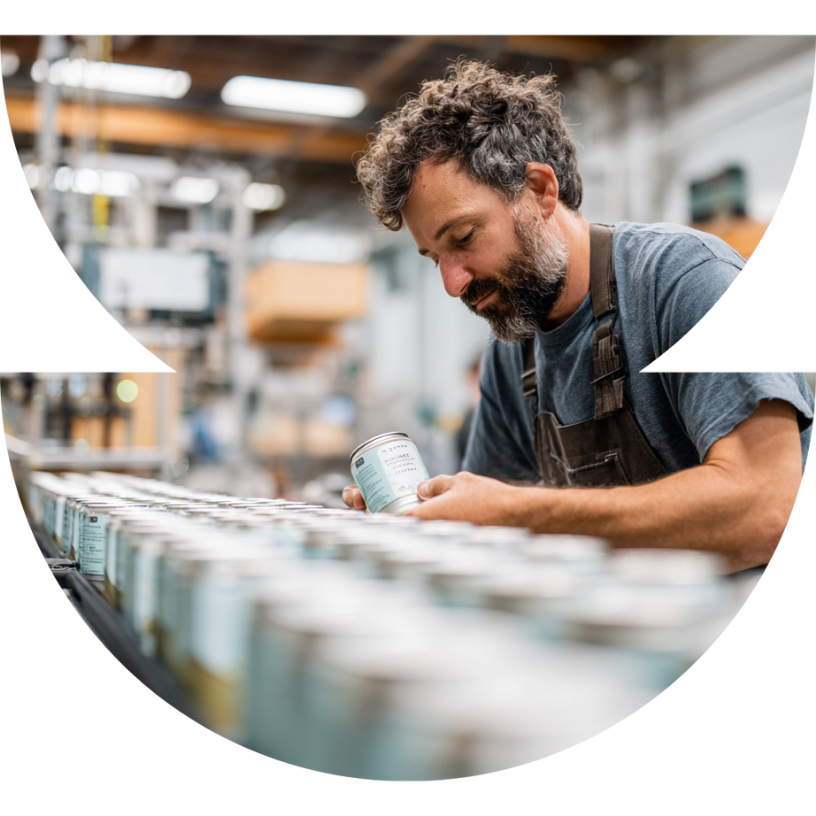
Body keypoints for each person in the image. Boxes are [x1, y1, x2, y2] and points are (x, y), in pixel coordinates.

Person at [344, 59, 816, 575]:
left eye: (463, 239)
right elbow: (486, 531)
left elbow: (767, 511)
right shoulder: (510, 353)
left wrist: (522, 515)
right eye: (435, 258)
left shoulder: (700, 275)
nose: (453, 283)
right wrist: (425, 517)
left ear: (542, 191)